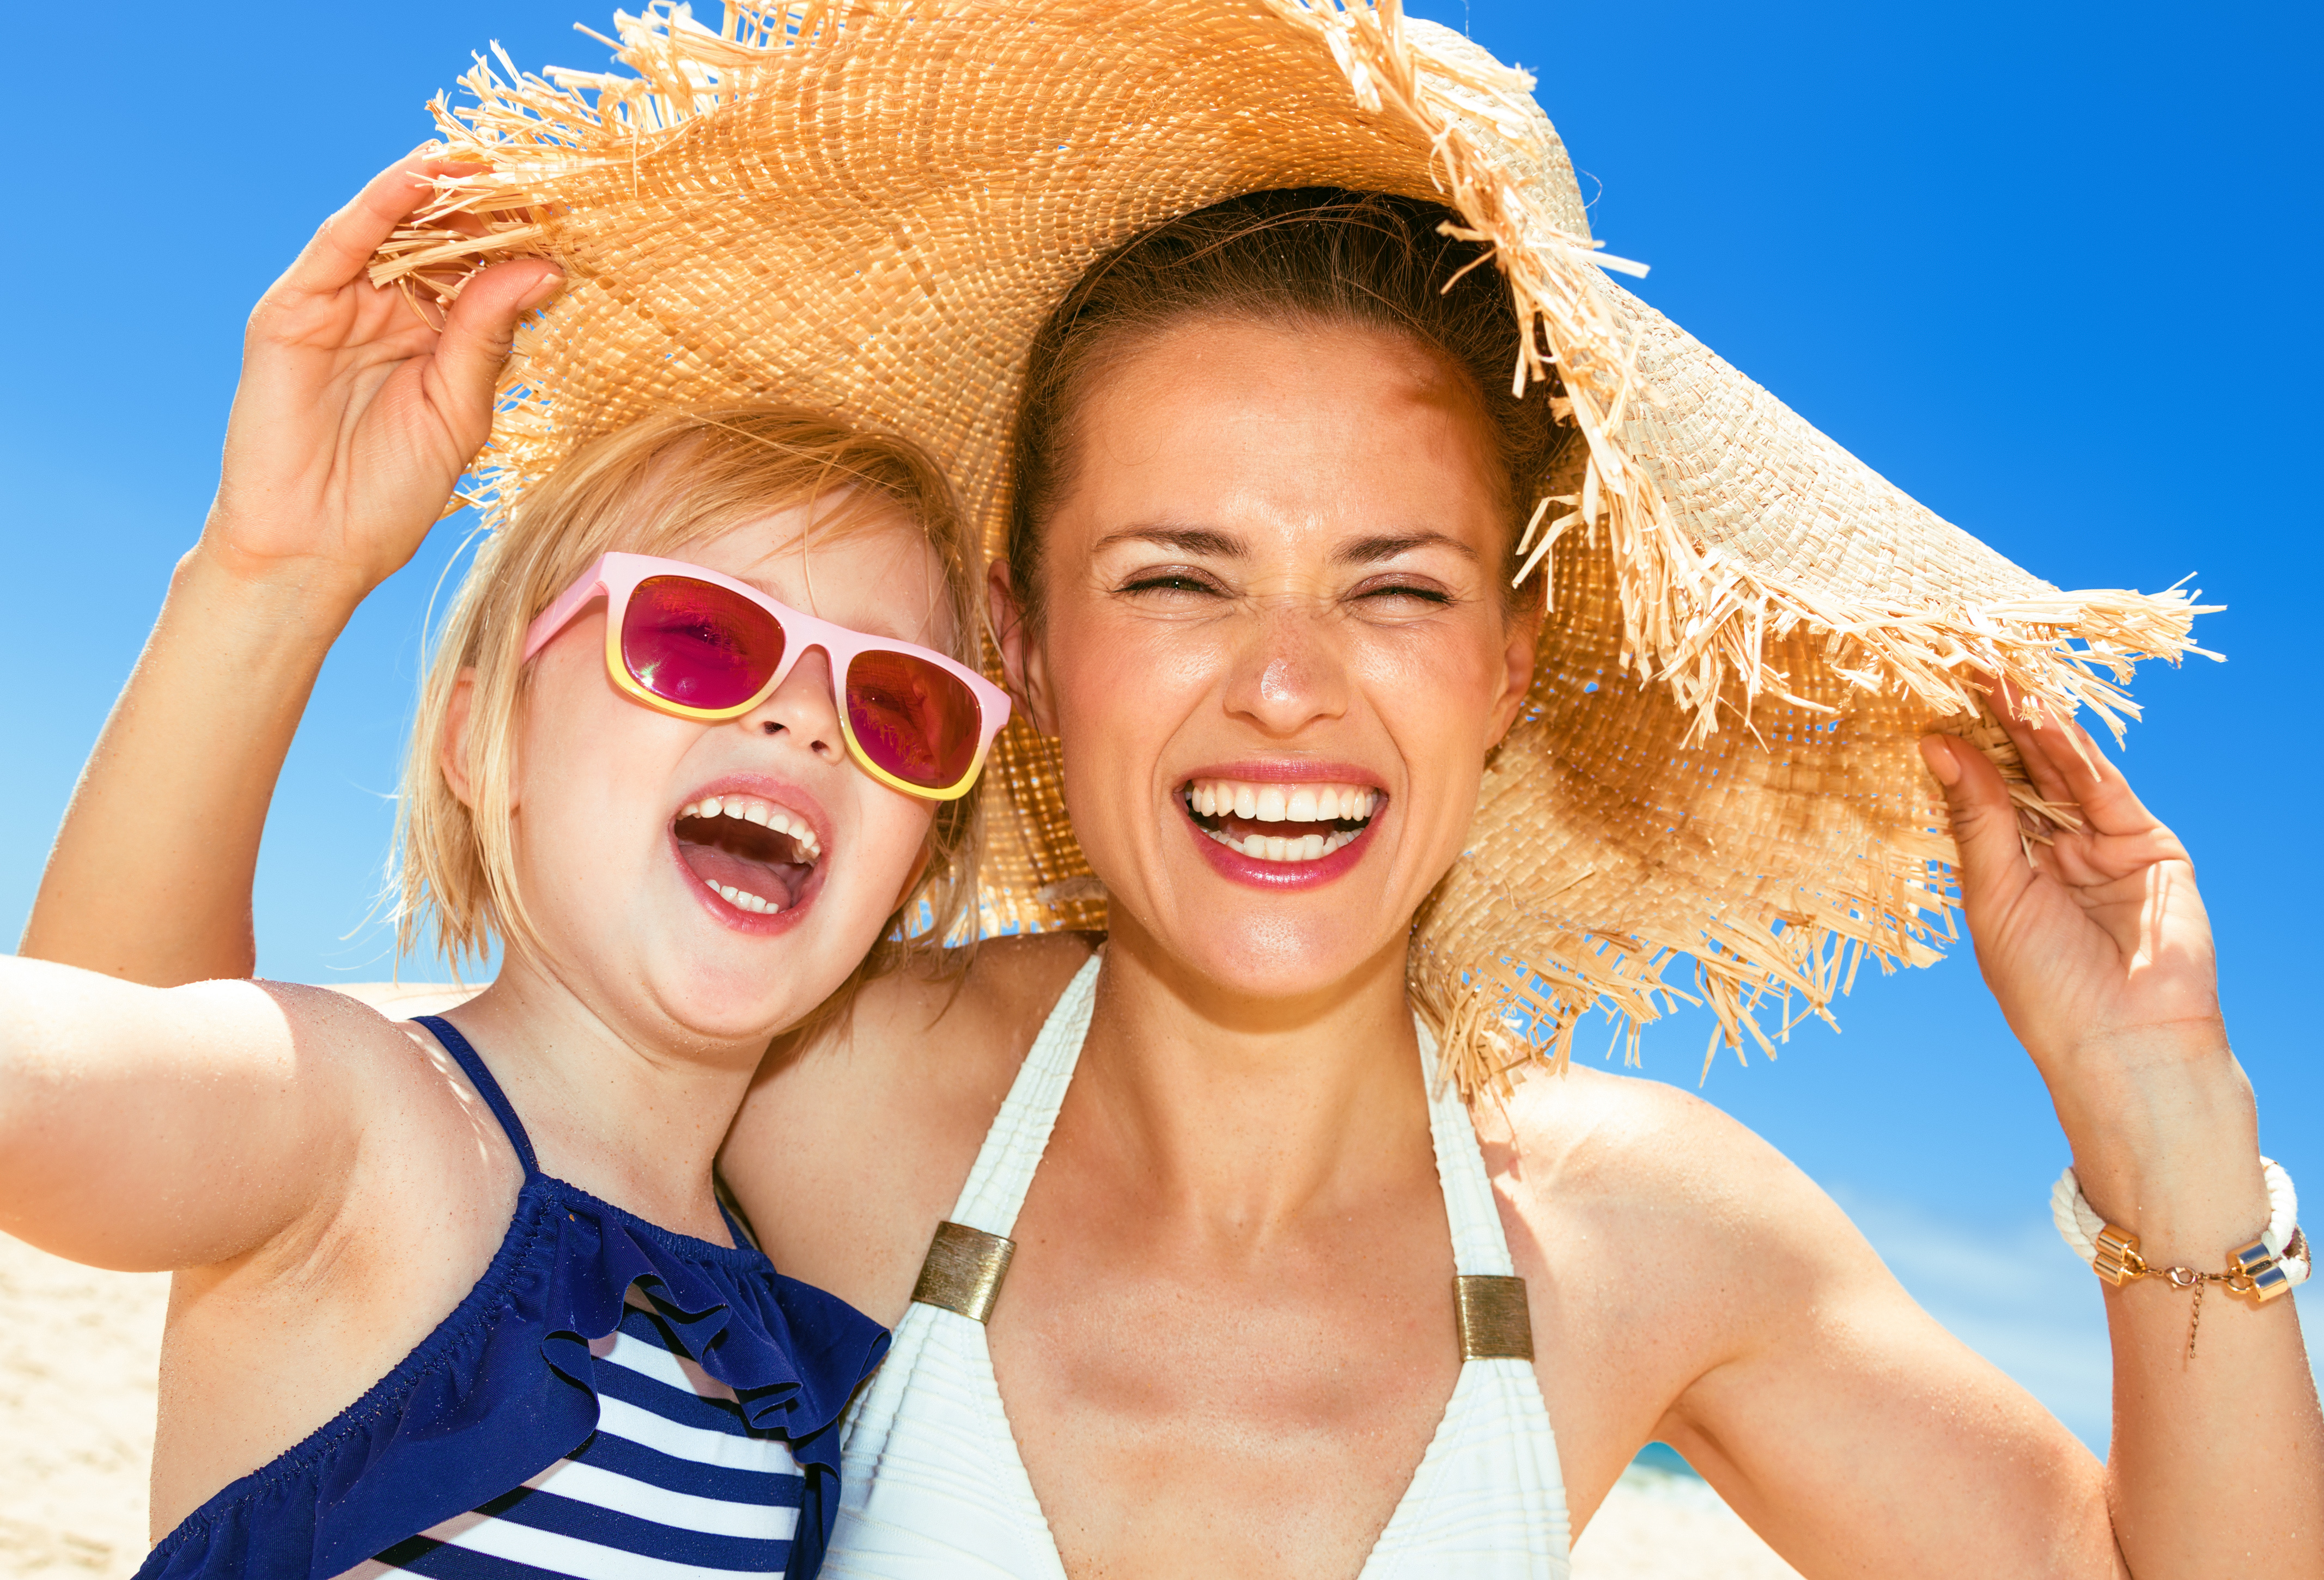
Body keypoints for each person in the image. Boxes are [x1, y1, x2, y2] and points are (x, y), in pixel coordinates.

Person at [26, 4, 2321, 1577]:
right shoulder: (828, 1088)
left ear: (1507, 667)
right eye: (1177, 574)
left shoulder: (1643, 1240)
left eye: (1392, 589)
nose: (1284, 688)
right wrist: (274, 582)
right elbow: (172, 1143)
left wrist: (2154, 1126)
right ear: (1023, 650)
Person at [5, 155, 1012, 1579]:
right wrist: (272, 572)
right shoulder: (372, 1132)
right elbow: (70, 1073)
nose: (798, 711)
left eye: (899, 703)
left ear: (918, 858)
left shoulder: (802, 1323)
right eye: (699, 636)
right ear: (486, 741)